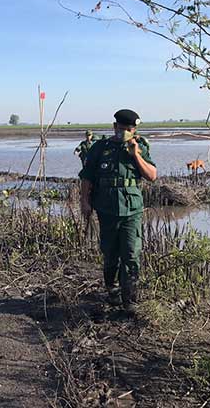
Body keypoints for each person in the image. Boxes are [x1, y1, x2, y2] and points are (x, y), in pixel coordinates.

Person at [79, 109, 157, 313]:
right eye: (123, 129)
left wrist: (136, 155)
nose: (126, 133)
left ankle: (129, 299)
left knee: (131, 253)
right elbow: (87, 176)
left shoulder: (139, 146)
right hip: (107, 208)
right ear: (115, 127)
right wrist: (84, 202)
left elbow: (152, 175)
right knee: (110, 252)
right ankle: (112, 290)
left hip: (132, 210)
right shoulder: (99, 147)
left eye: (130, 129)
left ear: (135, 130)